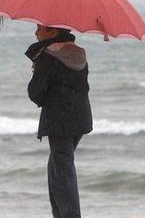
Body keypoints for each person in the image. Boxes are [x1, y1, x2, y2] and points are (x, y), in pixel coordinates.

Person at [25, 25, 93, 218]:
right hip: (80, 118)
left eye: (40, 28)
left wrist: (37, 70)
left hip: (58, 120)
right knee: (59, 166)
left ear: (52, 32)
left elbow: (36, 94)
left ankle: (69, 215)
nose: (36, 32)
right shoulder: (79, 54)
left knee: (61, 170)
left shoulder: (48, 56)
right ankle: (61, 214)